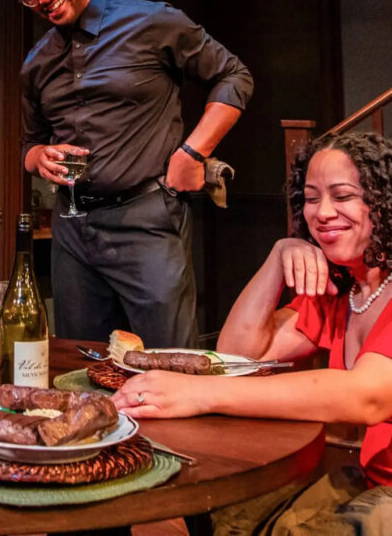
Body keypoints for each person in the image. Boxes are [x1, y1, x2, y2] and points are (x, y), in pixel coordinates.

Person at [114, 132, 392, 533]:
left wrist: (197, 393)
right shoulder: (345, 289)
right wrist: (278, 256)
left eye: (343, 195)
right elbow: (239, 353)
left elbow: (366, 396)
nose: (323, 212)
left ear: (381, 202)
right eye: (311, 198)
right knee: (227, 513)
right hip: (371, 483)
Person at [4, 0, 254, 348]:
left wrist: (194, 152)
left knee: (168, 360)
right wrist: (38, 157)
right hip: (73, 228)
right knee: (78, 365)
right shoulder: (37, 62)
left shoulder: (152, 22)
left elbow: (235, 76)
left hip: (146, 219)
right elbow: (28, 145)